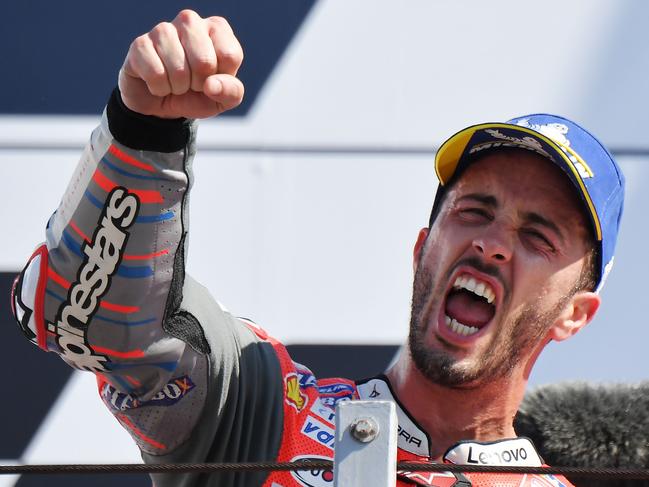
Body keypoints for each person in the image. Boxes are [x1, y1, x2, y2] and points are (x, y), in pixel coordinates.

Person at [10, 9, 625, 487]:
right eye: (474, 212)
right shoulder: (259, 405)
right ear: (423, 250)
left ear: (576, 313)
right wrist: (145, 132)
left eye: (537, 236)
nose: (491, 244)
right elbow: (81, 318)